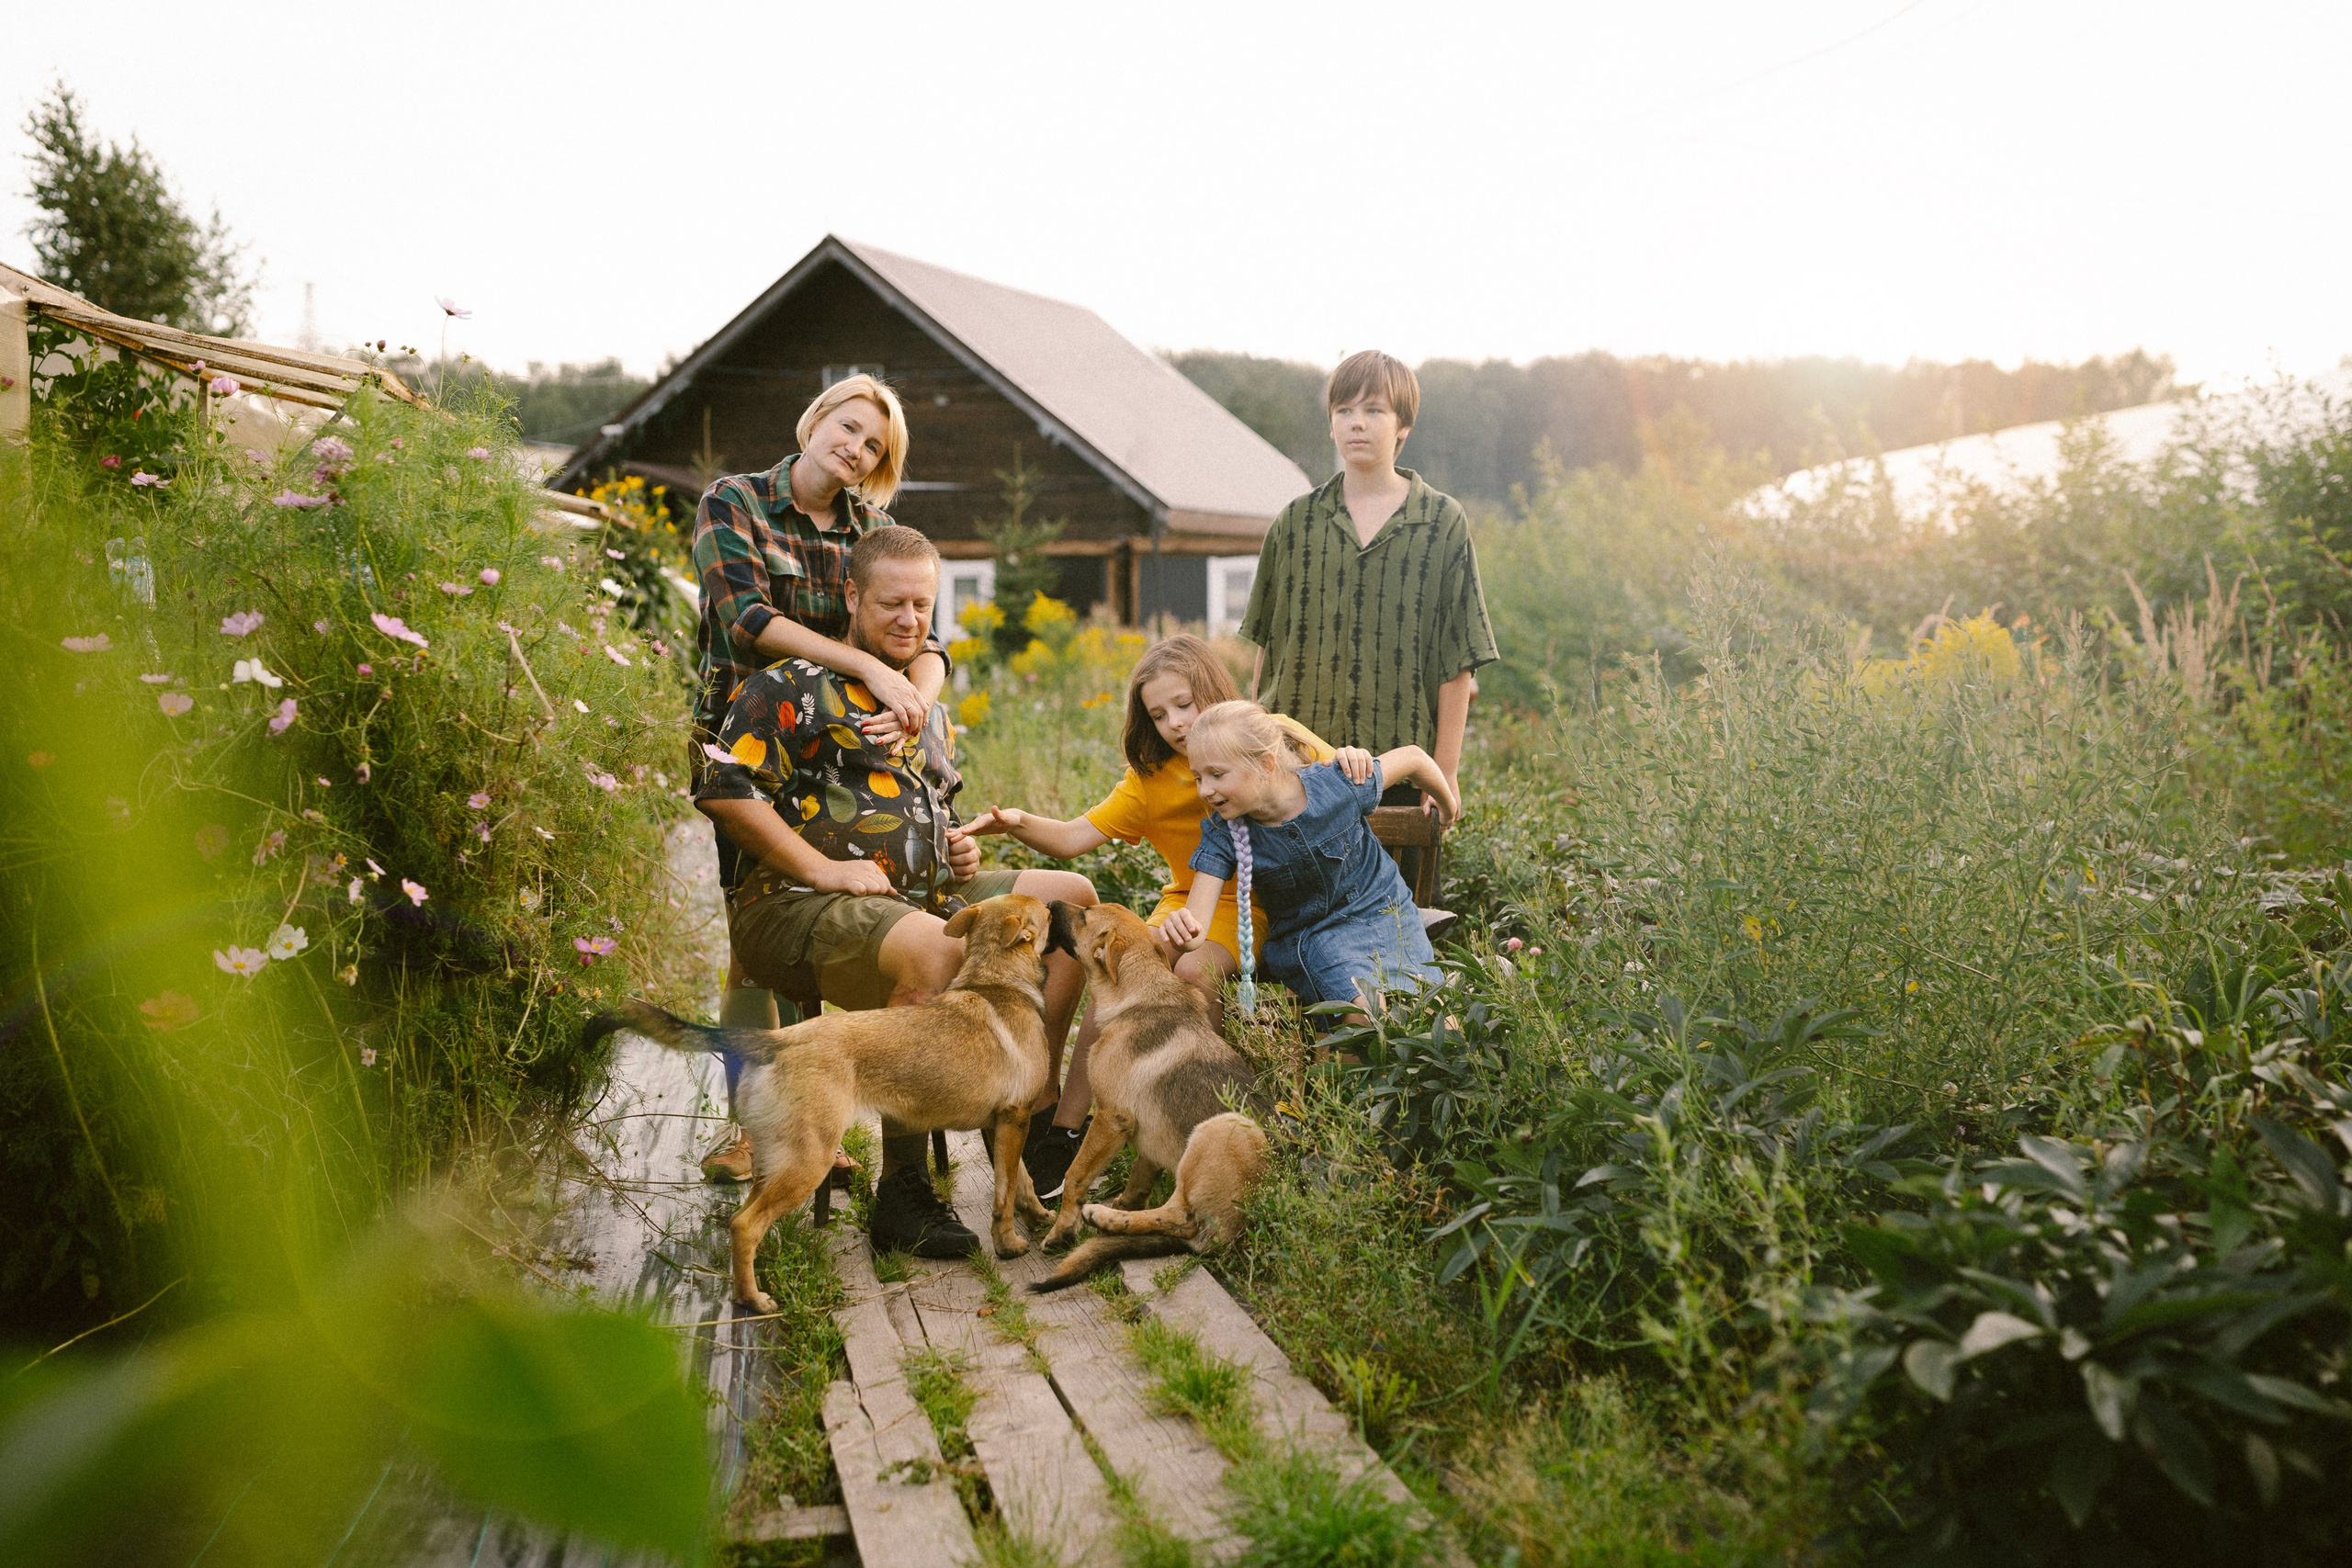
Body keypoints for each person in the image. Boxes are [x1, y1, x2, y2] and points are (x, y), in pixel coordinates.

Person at [696, 525, 1097, 1258]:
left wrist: (957, 845)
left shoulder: (925, 703)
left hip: (924, 896)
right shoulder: (790, 685)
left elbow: (934, 807)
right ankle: (904, 1194)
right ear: (851, 595)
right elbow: (721, 789)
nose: (909, 620)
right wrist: (819, 867)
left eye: (922, 605)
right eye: (891, 603)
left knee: (1074, 901)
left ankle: (1029, 1116)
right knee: (929, 950)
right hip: (794, 908)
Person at [689, 374, 947, 1179]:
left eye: (873, 445)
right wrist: (867, 661)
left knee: (827, 912)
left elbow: (928, 638)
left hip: (841, 746)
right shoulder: (735, 502)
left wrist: (913, 701)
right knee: (755, 941)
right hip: (747, 733)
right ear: (816, 419)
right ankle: (754, 1125)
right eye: (848, 426)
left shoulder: (876, 527)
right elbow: (749, 622)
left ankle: (816, 1116)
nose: (855, 447)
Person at [965, 634, 1370, 1021]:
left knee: (1195, 970)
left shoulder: (1266, 734)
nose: (1175, 723)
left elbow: (1339, 781)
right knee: (1119, 967)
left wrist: (1352, 757)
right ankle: (1073, 1098)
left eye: (1184, 705)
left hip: (1264, 906)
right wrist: (1016, 822)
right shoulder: (1150, 780)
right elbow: (1072, 838)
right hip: (1185, 904)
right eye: (1159, 715)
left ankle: (1206, 1088)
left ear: (1211, 690)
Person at [1238, 352, 1498, 868]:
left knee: (1405, 932)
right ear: (1331, 423)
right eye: (1344, 409)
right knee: (1294, 931)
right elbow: (1270, 650)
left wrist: (1443, 773)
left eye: (1375, 410)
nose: (1357, 422)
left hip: (1400, 776)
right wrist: (1255, 760)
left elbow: (1459, 659)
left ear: (1403, 425)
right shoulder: (1294, 523)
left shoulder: (1442, 522)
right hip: (1298, 773)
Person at [1162, 700, 1459, 1022]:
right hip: (1312, 935)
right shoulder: (1224, 833)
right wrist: (1184, 930)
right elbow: (1196, 923)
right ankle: (1343, 1074)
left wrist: (1446, 805)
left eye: (1217, 775)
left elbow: (1414, 758)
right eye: (1198, 778)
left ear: (1266, 764)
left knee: (1437, 1016)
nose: (1205, 790)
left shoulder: (1339, 784)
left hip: (1384, 911)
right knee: (1364, 1011)